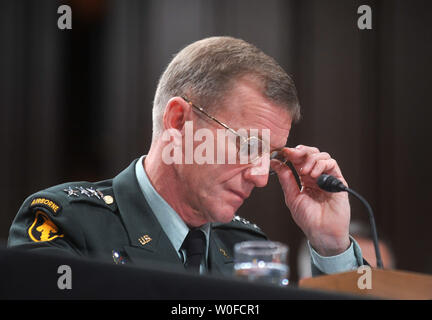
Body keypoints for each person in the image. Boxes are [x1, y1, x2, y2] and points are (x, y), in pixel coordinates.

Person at [8, 36, 365, 277]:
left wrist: (331, 246)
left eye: (270, 157)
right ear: (178, 122)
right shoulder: (68, 226)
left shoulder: (244, 247)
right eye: (248, 146)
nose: (259, 177)